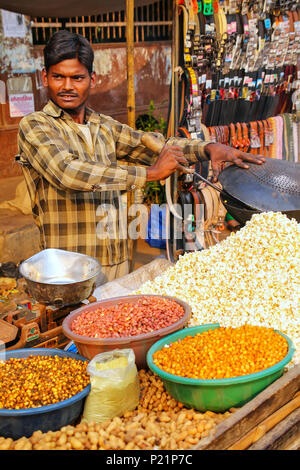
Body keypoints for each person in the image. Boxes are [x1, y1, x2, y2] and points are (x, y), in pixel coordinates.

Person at [17, 30, 265, 285]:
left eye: (77, 78)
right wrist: (151, 174)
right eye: (59, 77)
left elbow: (153, 145)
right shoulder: (35, 125)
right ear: (45, 77)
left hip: (116, 261)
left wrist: (208, 148)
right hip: (67, 271)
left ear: (92, 79)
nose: (67, 86)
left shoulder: (103, 126)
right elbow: (67, 172)